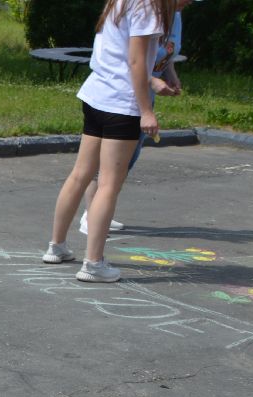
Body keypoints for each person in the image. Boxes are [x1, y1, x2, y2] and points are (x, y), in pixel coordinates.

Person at [44, 0, 176, 283]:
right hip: (121, 102)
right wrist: (146, 110)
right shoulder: (148, 6)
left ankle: (57, 246)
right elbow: (136, 61)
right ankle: (93, 263)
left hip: (96, 94)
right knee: (108, 185)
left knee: (80, 174)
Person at [76, 0, 196, 236]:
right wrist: (149, 92)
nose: (189, 3)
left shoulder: (173, 14)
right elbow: (130, 59)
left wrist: (169, 73)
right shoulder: (144, 9)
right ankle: (91, 221)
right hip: (122, 98)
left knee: (120, 165)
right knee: (103, 171)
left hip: (133, 97)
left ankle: (81, 228)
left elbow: (162, 52)